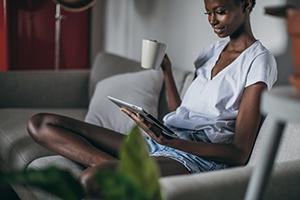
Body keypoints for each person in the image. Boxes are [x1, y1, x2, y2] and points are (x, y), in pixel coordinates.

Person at [27, 0, 277, 192]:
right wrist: (167, 73)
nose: (212, 20)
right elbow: (183, 112)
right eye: (207, 13)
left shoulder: (258, 61)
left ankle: (116, 172)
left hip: (196, 155)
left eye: (220, 11)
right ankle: (120, 170)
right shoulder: (211, 51)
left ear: (246, 4)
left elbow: (240, 152)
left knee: (91, 180)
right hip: (163, 139)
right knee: (41, 123)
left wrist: (173, 144)